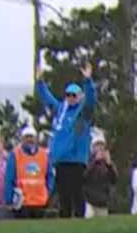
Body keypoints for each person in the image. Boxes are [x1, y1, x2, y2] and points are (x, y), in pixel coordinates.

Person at [38, 63, 99, 220]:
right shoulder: (61, 110)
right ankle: (65, 221)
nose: (71, 98)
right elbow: (48, 99)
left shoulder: (82, 113)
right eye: (68, 95)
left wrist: (87, 81)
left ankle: (79, 219)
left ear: (79, 96)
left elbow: (91, 100)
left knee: (76, 192)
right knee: (63, 194)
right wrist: (40, 82)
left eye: (74, 95)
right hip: (61, 159)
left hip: (76, 159)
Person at [7, 125, 54, 219]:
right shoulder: (15, 154)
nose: (29, 140)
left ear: (36, 139)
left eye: (31, 137)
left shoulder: (44, 154)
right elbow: (9, 178)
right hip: (22, 202)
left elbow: (50, 176)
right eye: (26, 137)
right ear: (22, 139)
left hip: (40, 201)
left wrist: (48, 192)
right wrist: (8, 199)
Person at [83, 139, 117, 217]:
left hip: (103, 202)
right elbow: (84, 176)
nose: (100, 148)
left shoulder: (107, 164)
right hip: (89, 201)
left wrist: (109, 165)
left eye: (102, 146)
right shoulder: (88, 160)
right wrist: (95, 161)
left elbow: (114, 180)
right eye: (97, 145)